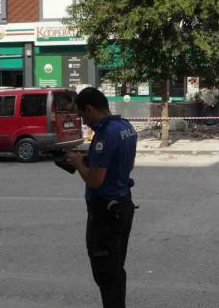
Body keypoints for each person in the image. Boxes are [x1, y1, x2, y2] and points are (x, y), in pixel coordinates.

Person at [68, 87, 137, 308]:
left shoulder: (105, 134)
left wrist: (79, 163)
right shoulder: (126, 126)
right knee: (116, 267)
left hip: (105, 212)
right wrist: (95, 159)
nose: (84, 121)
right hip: (122, 205)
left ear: (89, 109)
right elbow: (128, 165)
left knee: (106, 272)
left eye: (82, 115)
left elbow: (95, 180)